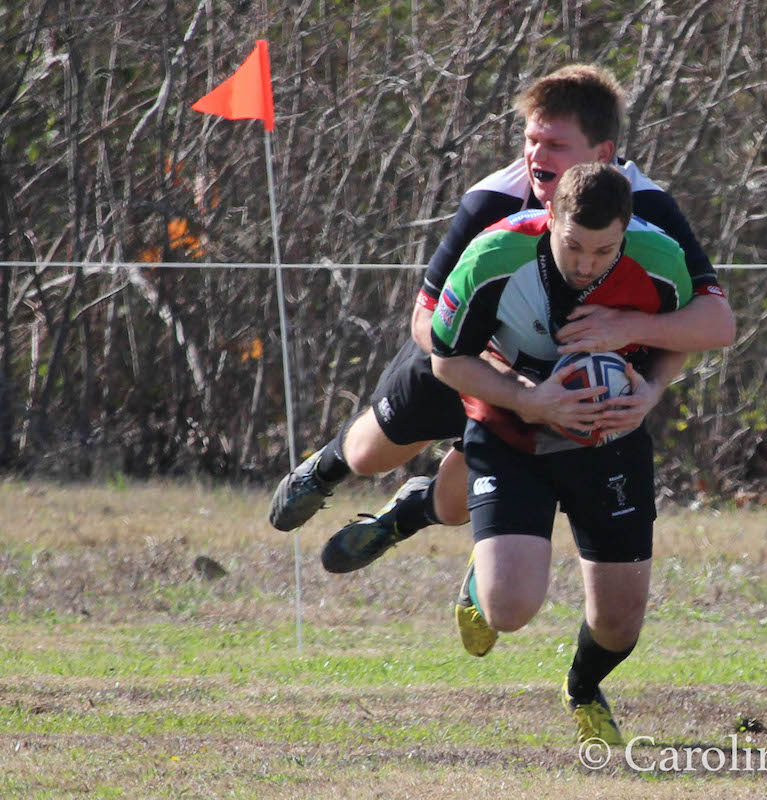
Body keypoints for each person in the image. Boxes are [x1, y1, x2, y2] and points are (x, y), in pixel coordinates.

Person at [267, 64, 734, 573]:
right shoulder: (492, 199)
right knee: (368, 456)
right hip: (472, 354)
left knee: (454, 503)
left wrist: (626, 331)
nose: (536, 155)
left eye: (555, 145)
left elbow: (714, 320)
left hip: (567, 380)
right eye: (531, 140)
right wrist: (498, 373)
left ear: (603, 155)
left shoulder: (646, 210)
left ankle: (405, 515)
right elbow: (424, 322)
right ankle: (325, 467)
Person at [430, 162, 696, 745]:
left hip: (608, 437)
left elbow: (696, 332)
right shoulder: (494, 254)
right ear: (550, 215)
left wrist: (648, 393)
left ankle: (581, 687)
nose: (585, 263)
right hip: (510, 431)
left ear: (627, 229)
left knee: (620, 623)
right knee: (509, 609)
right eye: (573, 245)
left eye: (604, 251)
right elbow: (446, 360)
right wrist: (531, 401)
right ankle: (486, 575)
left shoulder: (660, 258)